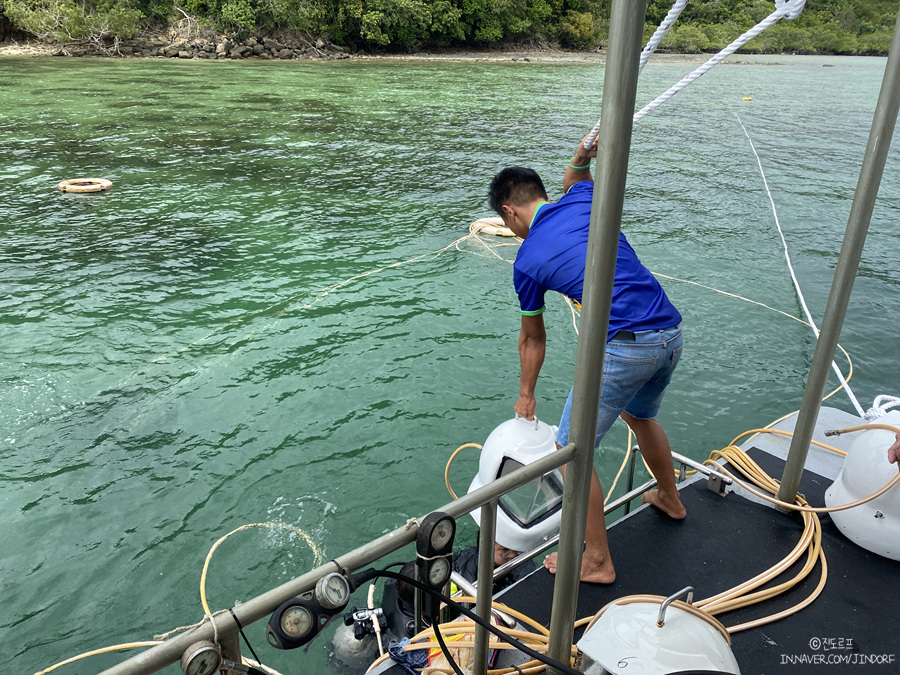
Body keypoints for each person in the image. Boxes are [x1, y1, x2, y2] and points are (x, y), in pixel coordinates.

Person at [487, 135, 686, 584]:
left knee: (569, 453)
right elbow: (576, 177)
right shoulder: (582, 198)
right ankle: (671, 498)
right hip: (670, 333)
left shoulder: (527, 261)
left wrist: (526, 395)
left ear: (508, 212)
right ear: (540, 194)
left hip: (628, 346)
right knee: (640, 419)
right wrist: (580, 156)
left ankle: (597, 559)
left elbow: (533, 338)